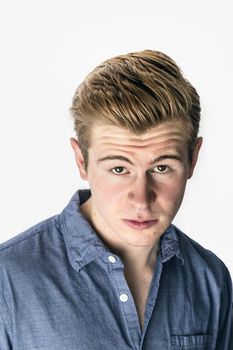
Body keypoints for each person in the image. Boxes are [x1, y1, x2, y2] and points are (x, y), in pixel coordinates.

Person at [0, 50, 232, 349]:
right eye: (119, 169)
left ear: (192, 159)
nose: (141, 199)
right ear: (81, 161)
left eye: (161, 168)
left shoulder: (210, 278)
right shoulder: (7, 279)